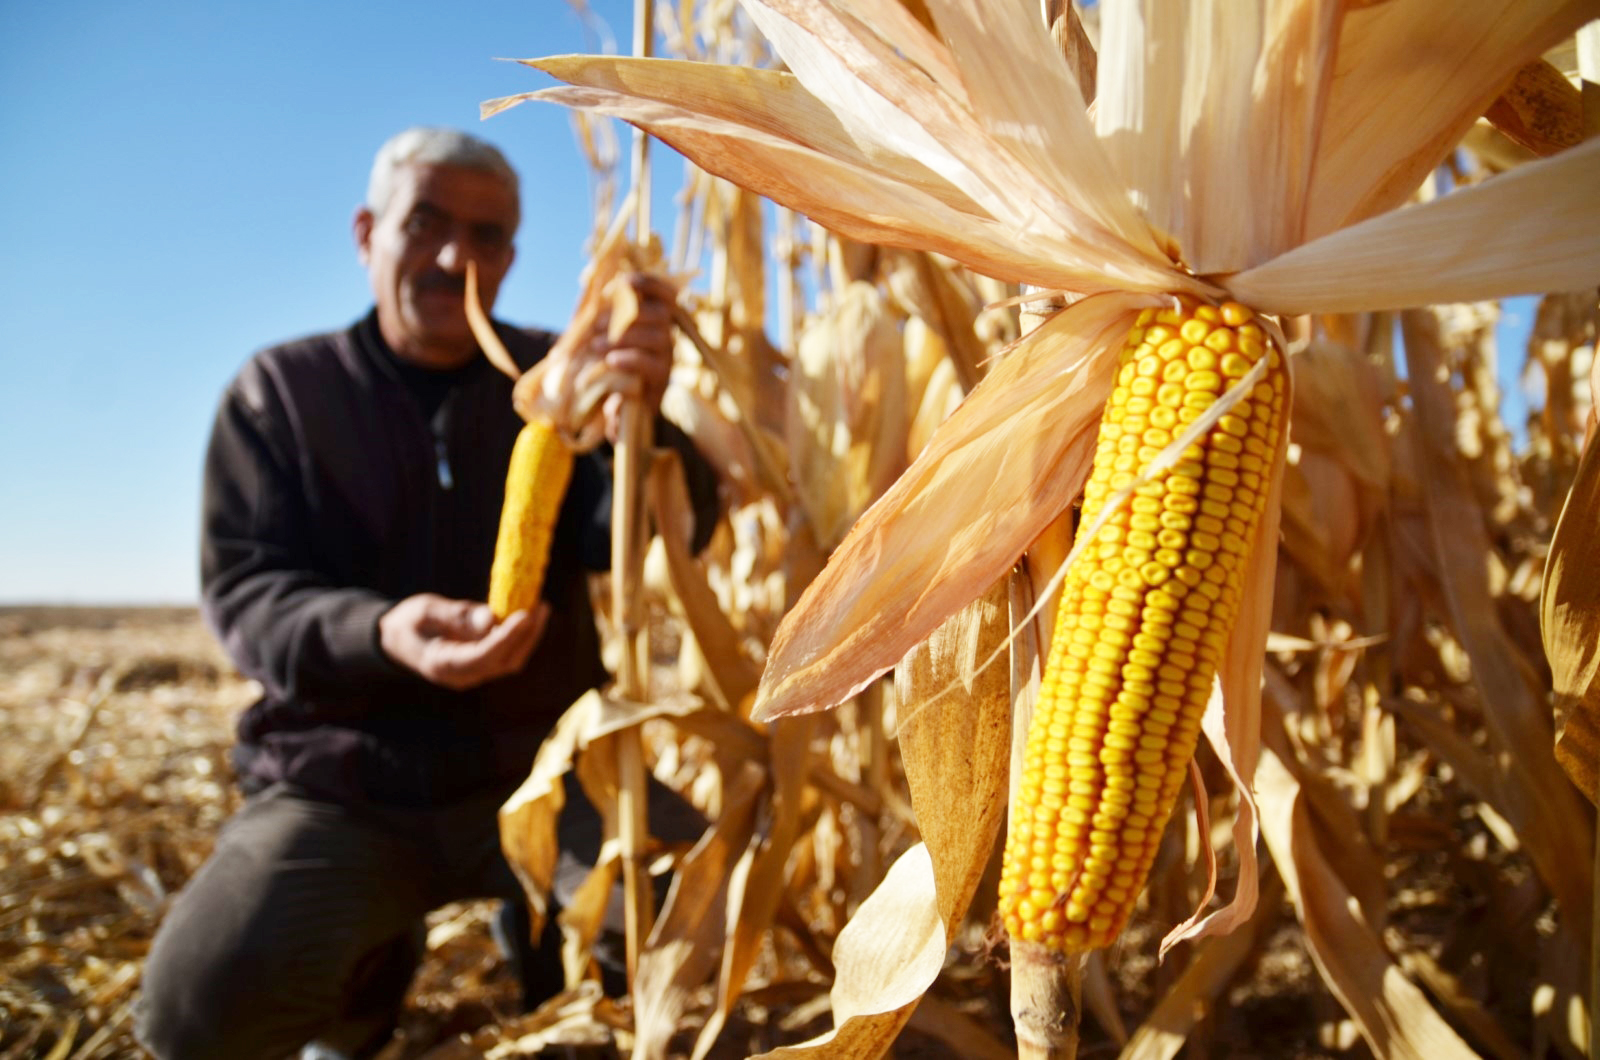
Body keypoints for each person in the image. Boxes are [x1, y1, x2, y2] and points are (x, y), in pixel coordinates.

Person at [135, 126, 718, 1060]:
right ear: (368, 233)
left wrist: (641, 429)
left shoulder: (559, 382)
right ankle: (367, 977)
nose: (458, 257)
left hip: (546, 765)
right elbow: (248, 592)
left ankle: (543, 950)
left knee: (690, 928)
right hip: (346, 779)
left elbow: (655, 535)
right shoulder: (281, 393)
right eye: (428, 224)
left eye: (488, 238)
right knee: (203, 1007)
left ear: (513, 256)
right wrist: (382, 633)